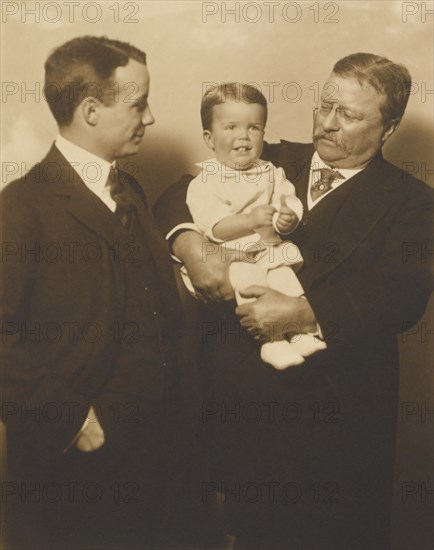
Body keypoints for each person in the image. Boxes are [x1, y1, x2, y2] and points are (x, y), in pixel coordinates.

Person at [153, 53, 433, 548]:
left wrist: (307, 313)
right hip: (243, 403)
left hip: (337, 421)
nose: (326, 123)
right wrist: (193, 249)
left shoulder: (415, 202)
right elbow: (177, 194)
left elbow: (403, 293)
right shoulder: (267, 156)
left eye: (348, 115)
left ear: (388, 129)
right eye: (325, 105)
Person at [0, 35, 187, 549]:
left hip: (154, 460)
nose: (149, 118)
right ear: (89, 111)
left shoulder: (132, 190)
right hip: (74, 472)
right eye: (138, 103)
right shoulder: (20, 207)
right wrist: (70, 422)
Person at [185, 82, 325, 369]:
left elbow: (287, 200)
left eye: (254, 127)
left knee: (283, 276)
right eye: (231, 127)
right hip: (233, 256)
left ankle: (301, 333)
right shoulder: (205, 180)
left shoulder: (271, 171)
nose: (244, 137)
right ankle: (271, 343)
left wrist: (287, 219)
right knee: (251, 286)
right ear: (209, 138)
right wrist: (248, 220)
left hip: (267, 248)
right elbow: (214, 227)